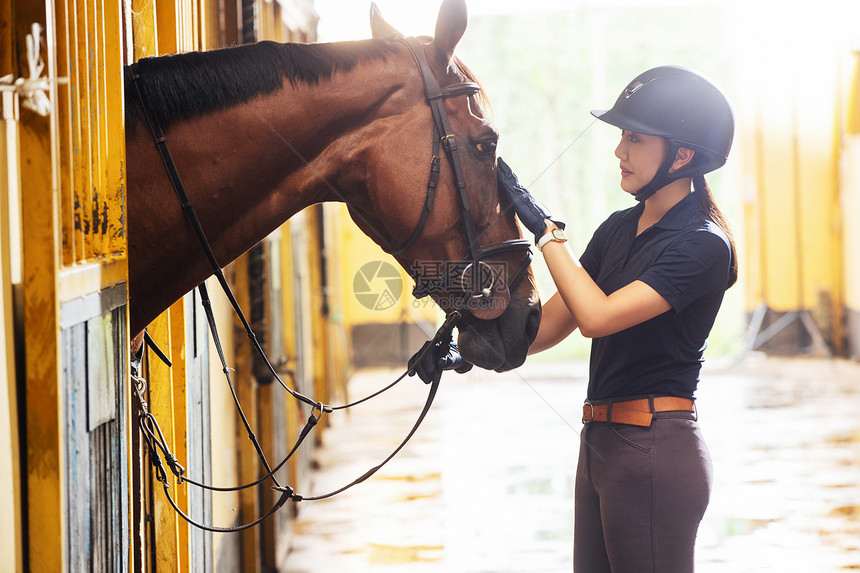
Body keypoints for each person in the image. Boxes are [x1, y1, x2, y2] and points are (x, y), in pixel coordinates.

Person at [495, 65, 738, 572]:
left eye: (634, 137)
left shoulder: (703, 246)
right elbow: (548, 326)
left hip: (653, 449)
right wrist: (467, 343)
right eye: (621, 136)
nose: (618, 150)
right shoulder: (618, 229)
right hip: (600, 446)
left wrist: (546, 232)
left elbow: (596, 317)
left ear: (683, 155)